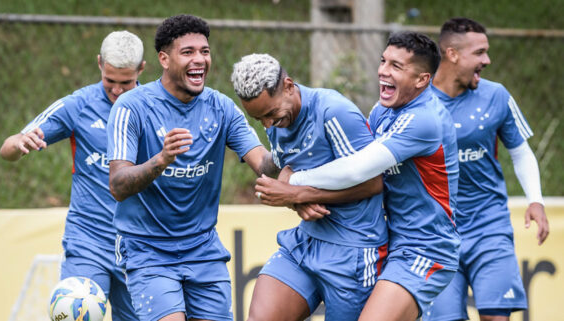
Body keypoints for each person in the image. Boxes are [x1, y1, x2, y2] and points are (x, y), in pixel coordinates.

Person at [258, 31, 461, 321]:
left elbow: (357, 170)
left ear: (422, 80)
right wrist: (289, 174)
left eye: (396, 67)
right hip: (388, 240)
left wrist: (296, 184)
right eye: (383, 61)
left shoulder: (426, 119)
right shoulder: (382, 111)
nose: (383, 71)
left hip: (424, 249)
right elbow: (343, 162)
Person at [106, 15, 278, 321]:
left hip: (203, 249)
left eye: (205, 51)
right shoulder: (131, 107)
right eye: (188, 52)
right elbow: (118, 185)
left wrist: (287, 142)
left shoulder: (222, 108)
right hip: (147, 249)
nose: (199, 59)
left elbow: (263, 164)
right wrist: (160, 160)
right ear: (164, 59)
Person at [231, 53, 389, 321]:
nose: (268, 125)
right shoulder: (276, 120)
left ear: (289, 86)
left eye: (270, 114)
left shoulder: (333, 112)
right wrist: (294, 198)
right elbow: (288, 171)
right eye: (259, 119)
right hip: (305, 242)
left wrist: (296, 193)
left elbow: (375, 182)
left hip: (354, 251)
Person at [0, 31, 145, 320]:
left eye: (125, 83)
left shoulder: (155, 107)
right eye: (110, 81)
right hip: (88, 242)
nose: (116, 90)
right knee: (75, 312)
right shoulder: (79, 105)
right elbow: (8, 148)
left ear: (141, 69)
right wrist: (18, 144)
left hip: (139, 246)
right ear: (100, 63)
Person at [424, 17, 550, 321]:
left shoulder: (496, 96)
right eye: (480, 53)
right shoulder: (417, 101)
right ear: (452, 54)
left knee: (496, 316)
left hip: (489, 227)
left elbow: (521, 153)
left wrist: (536, 200)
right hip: (435, 234)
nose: (487, 60)